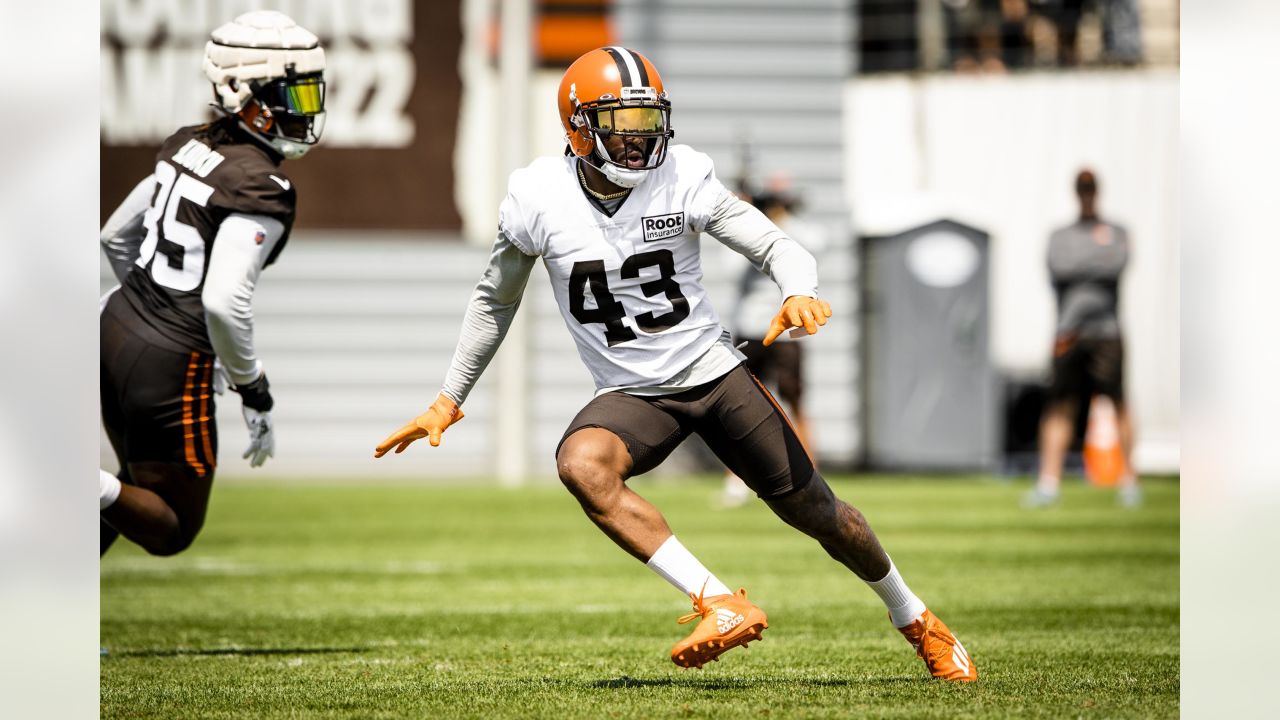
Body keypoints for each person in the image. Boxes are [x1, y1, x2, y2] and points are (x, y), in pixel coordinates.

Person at [375, 47, 977, 680]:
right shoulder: (536, 197)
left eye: (647, 123)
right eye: (621, 126)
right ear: (579, 128)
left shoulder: (682, 177)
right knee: (582, 465)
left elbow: (774, 242)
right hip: (634, 393)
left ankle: (915, 618)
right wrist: (449, 397)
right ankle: (717, 600)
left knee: (820, 513)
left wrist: (797, 287)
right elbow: (494, 301)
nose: (638, 143)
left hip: (713, 372)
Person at [99, 11, 326, 557]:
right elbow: (224, 303)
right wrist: (254, 387)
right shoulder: (260, 183)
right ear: (242, 94)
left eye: (310, 96)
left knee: (127, 492)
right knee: (171, 527)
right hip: (170, 360)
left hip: (112, 324)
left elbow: (113, 238)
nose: (305, 111)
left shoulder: (186, 144)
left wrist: (152, 311)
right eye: (291, 96)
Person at [1025, 169, 1140, 508]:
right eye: (1082, 189)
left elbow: (1115, 264)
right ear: (1076, 193)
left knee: (1118, 402)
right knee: (1060, 406)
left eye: (1090, 189)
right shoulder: (1060, 235)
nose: (1086, 194)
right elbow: (1060, 266)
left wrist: (1085, 265)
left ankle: (1130, 479)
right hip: (1068, 332)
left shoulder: (1117, 231)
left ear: (1097, 192)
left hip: (1107, 331)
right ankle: (1048, 483)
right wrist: (1095, 261)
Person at [720, 179, 827, 508]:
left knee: (795, 401)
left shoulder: (798, 230)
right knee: (738, 406)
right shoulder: (749, 230)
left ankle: (811, 472)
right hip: (750, 328)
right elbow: (732, 266)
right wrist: (753, 217)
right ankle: (735, 480)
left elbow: (810, 248)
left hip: (786, 329)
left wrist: (776, 222)